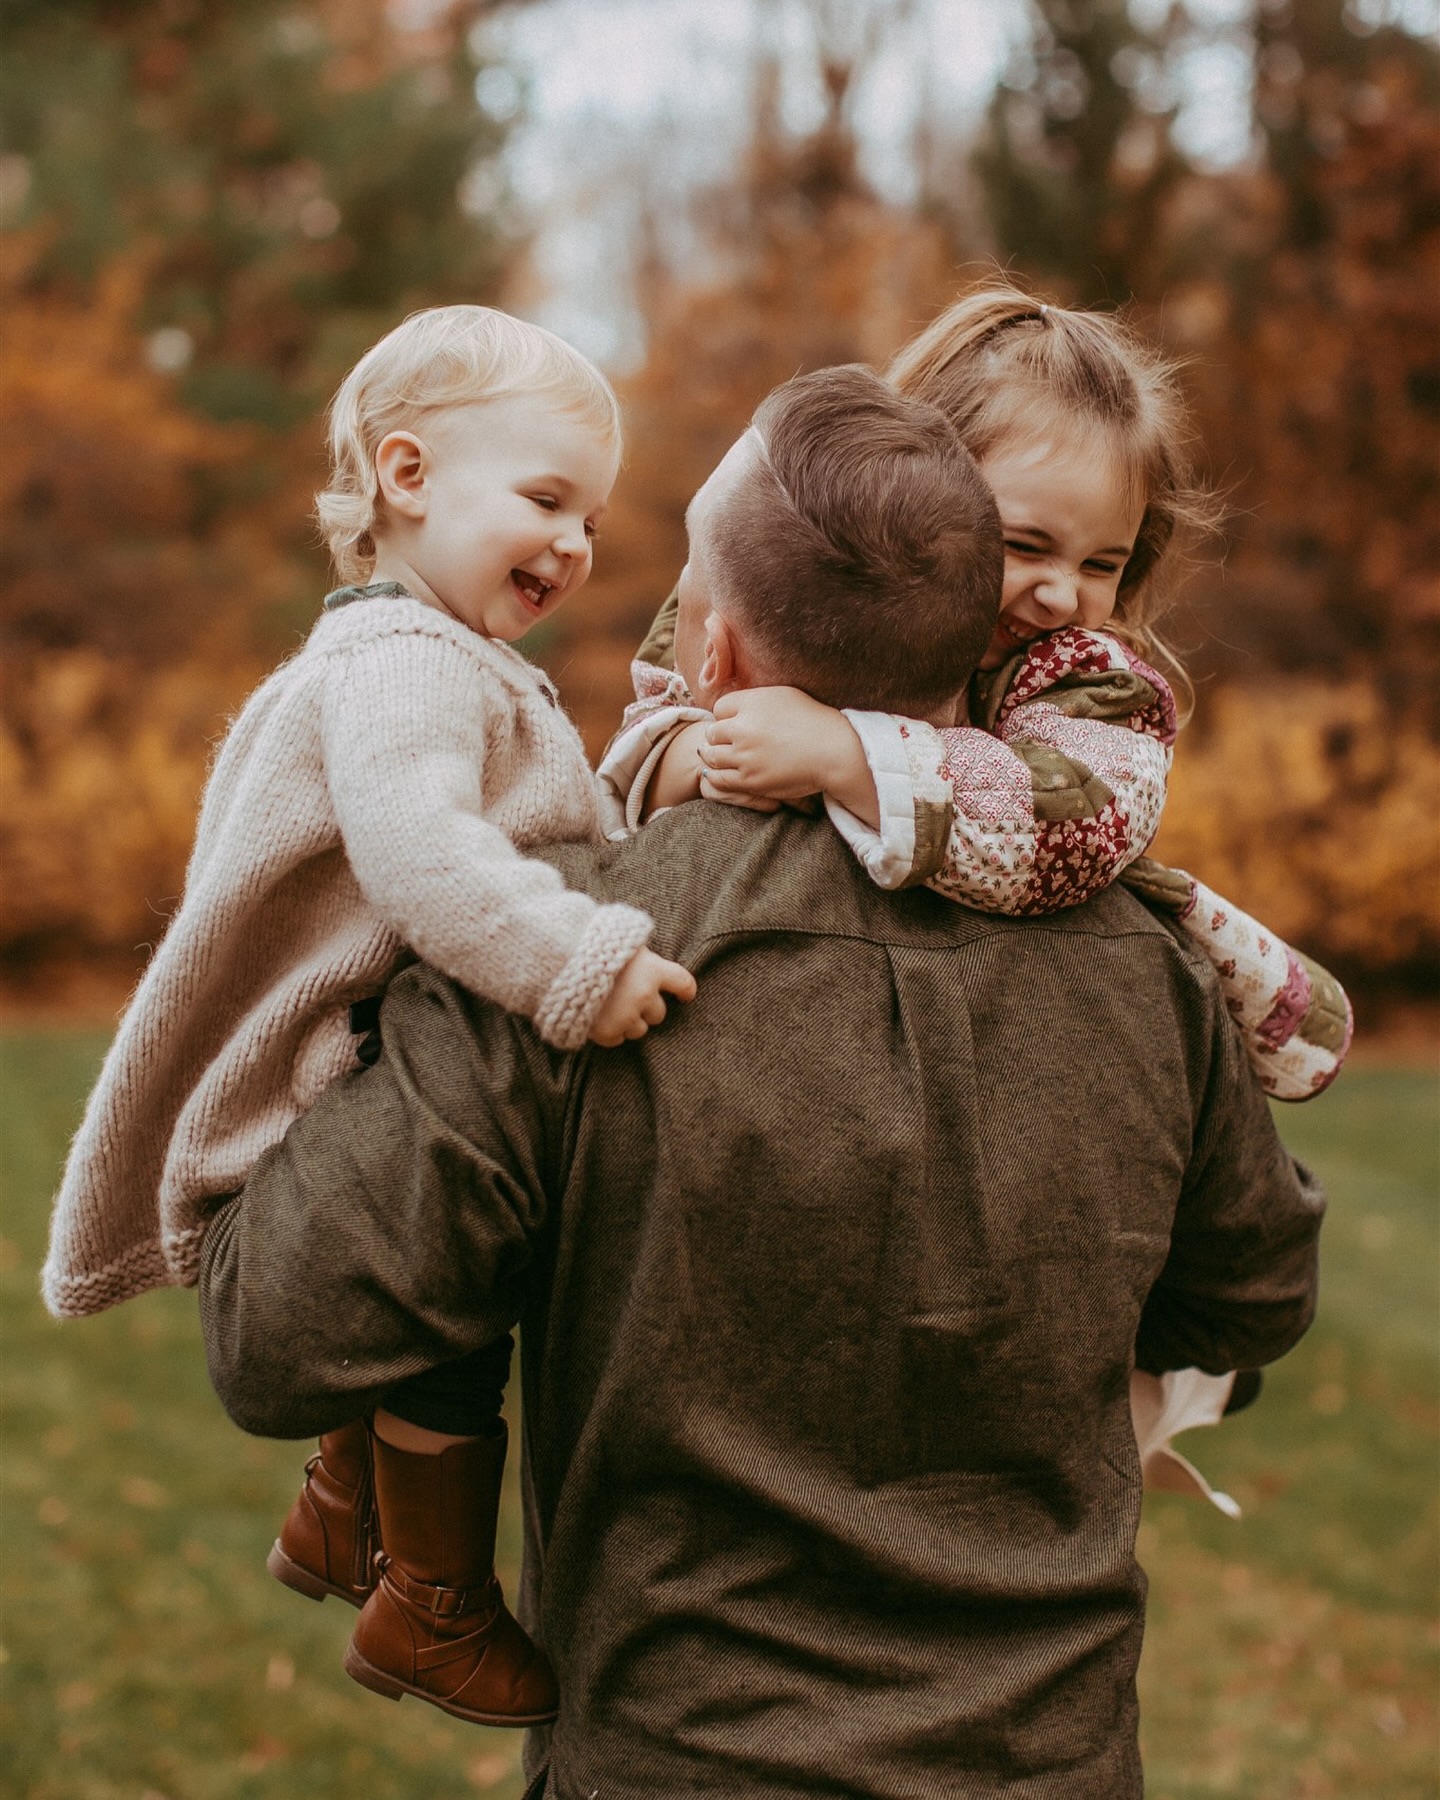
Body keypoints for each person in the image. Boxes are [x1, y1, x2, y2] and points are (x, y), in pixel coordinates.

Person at [198, 368, 1325, 1797]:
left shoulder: (565, 946)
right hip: (1049, 1758)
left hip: (678, 1756)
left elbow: (281, 1333)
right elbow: (1253, 1297)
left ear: (714, 653)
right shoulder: (1150, 968)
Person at [40, 304, 698, 1728]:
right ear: (407, 476)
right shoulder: (407, 663)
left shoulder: (416, 654)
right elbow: (422, 857)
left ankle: (346, 1512)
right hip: (330, 1101)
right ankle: (430, 1609)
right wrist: (576, 962)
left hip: (359, 1084)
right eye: (546, 499)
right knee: (449, 1276)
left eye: (590, 519)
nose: (575, 544)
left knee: (448, 1245)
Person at [598, 284, 1352, 1510]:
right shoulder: (778, 580)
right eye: (1025, 545)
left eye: (1102, 562)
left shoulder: (1088, 679)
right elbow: (660, 702)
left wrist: (847, 755)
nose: (1061, 593)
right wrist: (700, 753)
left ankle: (1152, 1385)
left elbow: (1075, 821)